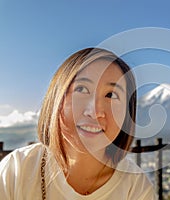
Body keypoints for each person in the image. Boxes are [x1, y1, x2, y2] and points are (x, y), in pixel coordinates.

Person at [0, 48, 157, 199]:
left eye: (111, 95)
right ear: (56, 98)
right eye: (81, 89)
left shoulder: (136, 187)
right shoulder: (16, 171)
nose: (95, 111)